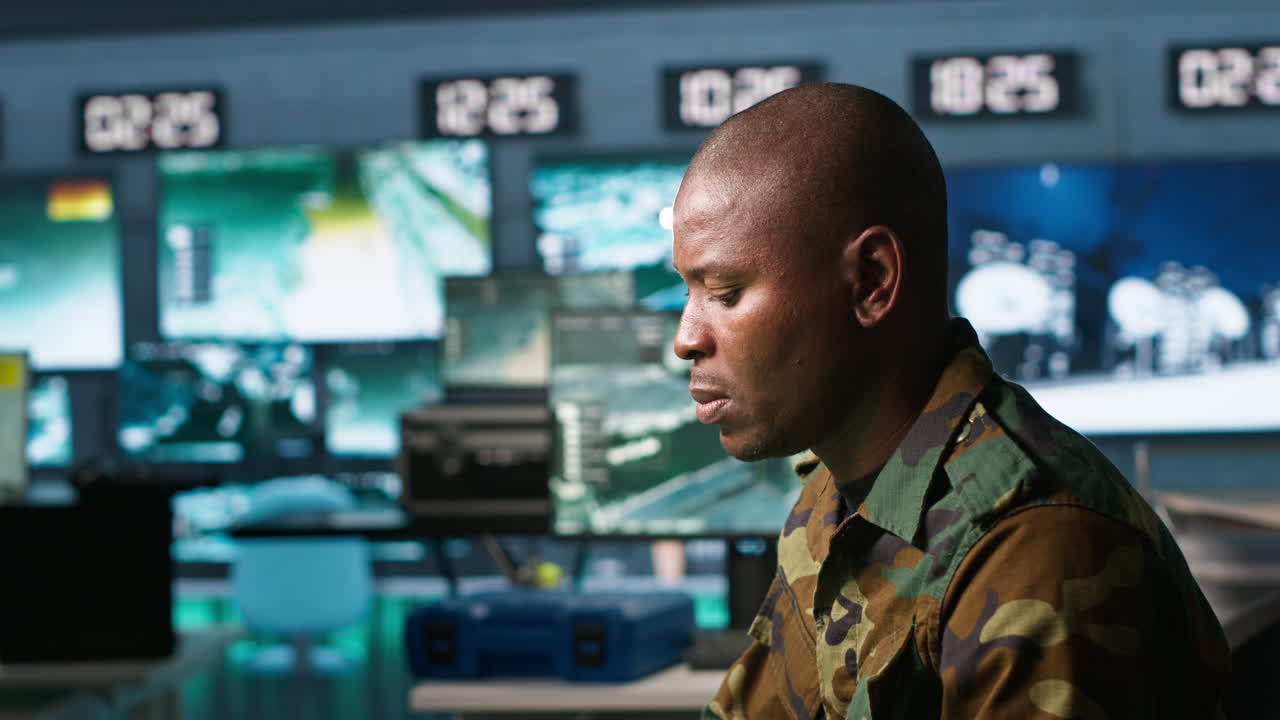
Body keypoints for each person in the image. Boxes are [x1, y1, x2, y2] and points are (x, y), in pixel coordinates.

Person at [672, 82, 1229, 719]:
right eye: (686, 292)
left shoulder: (1036, 545)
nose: (686, 340)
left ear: (873, 281)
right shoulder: (831, 497)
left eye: (724, 291)